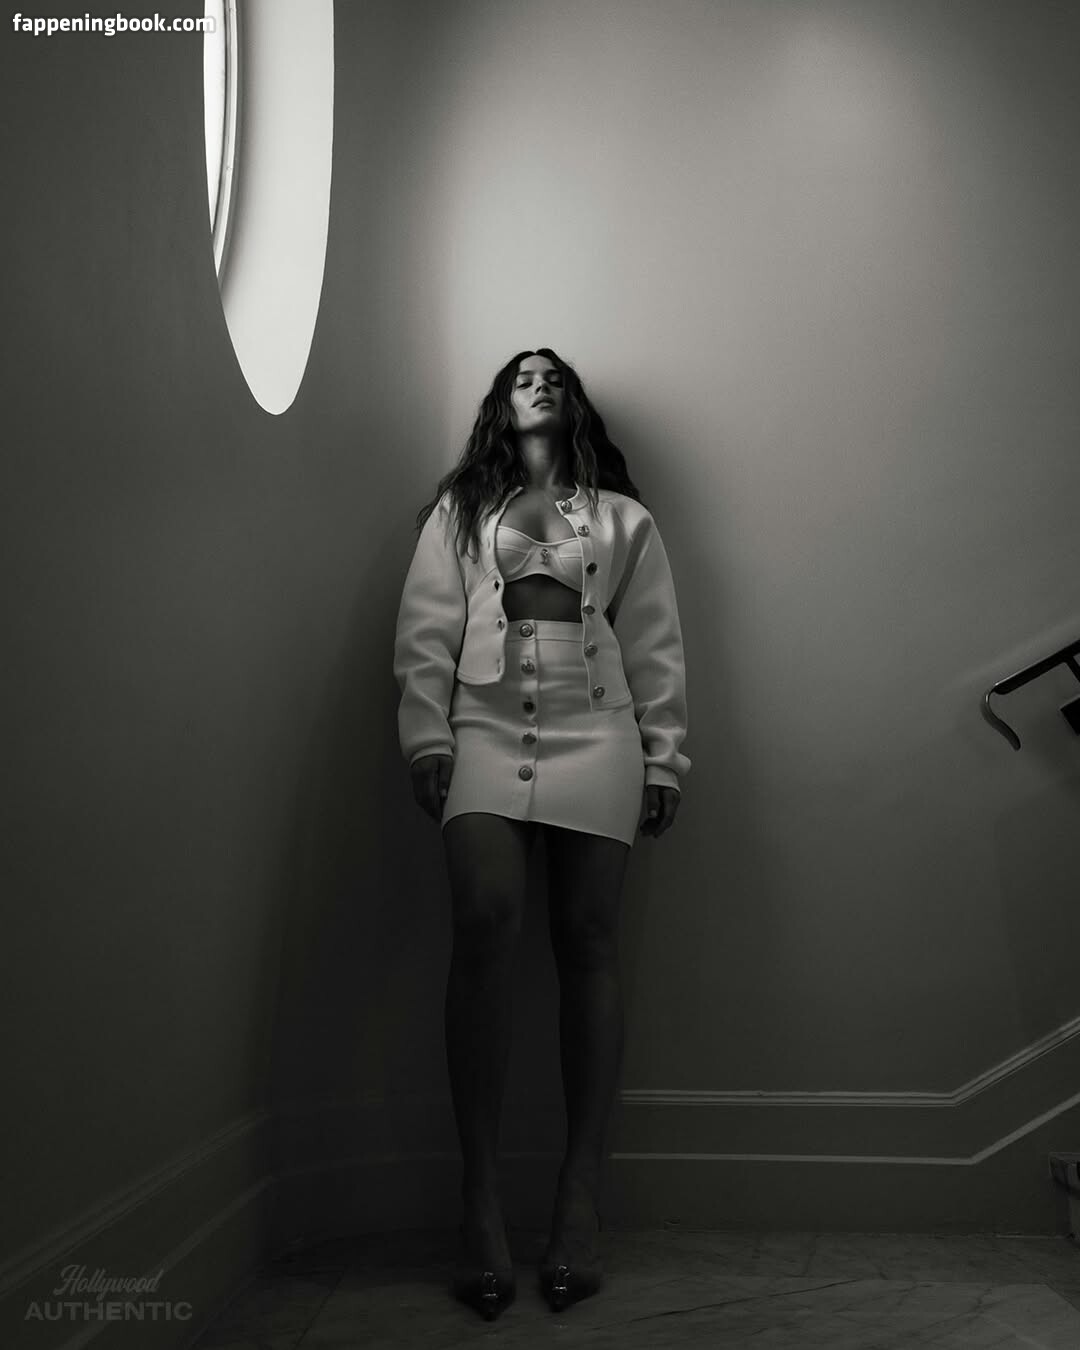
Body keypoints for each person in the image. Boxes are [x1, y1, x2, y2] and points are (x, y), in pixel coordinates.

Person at [393, 347, 690, 1320]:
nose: (538, 379)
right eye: (521, 373)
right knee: (484, 921)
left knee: (588, 942)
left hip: (596, 730)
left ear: (575, 402)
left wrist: (665, 756)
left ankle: (578, 1201)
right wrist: (426, 733)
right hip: (482, 725)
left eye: (553, 373)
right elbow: (425, 630)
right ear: (500, 403)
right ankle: (478, 1199)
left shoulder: (625, 519)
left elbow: (654, 642)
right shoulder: (460, 511)